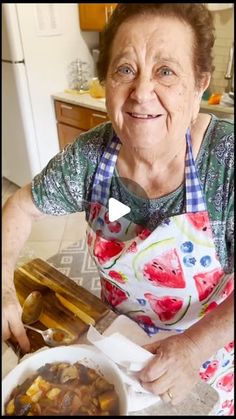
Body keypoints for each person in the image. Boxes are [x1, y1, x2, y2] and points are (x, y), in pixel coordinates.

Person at [3, 3, 234, 415]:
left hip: (206, 359)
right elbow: (21, 206)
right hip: (116, 343)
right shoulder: (91, 155)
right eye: (125, 69)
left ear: (199, 85)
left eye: (166, 71)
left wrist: (195, 346)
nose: (141, 93)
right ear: (106, 80)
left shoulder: (226, 160)